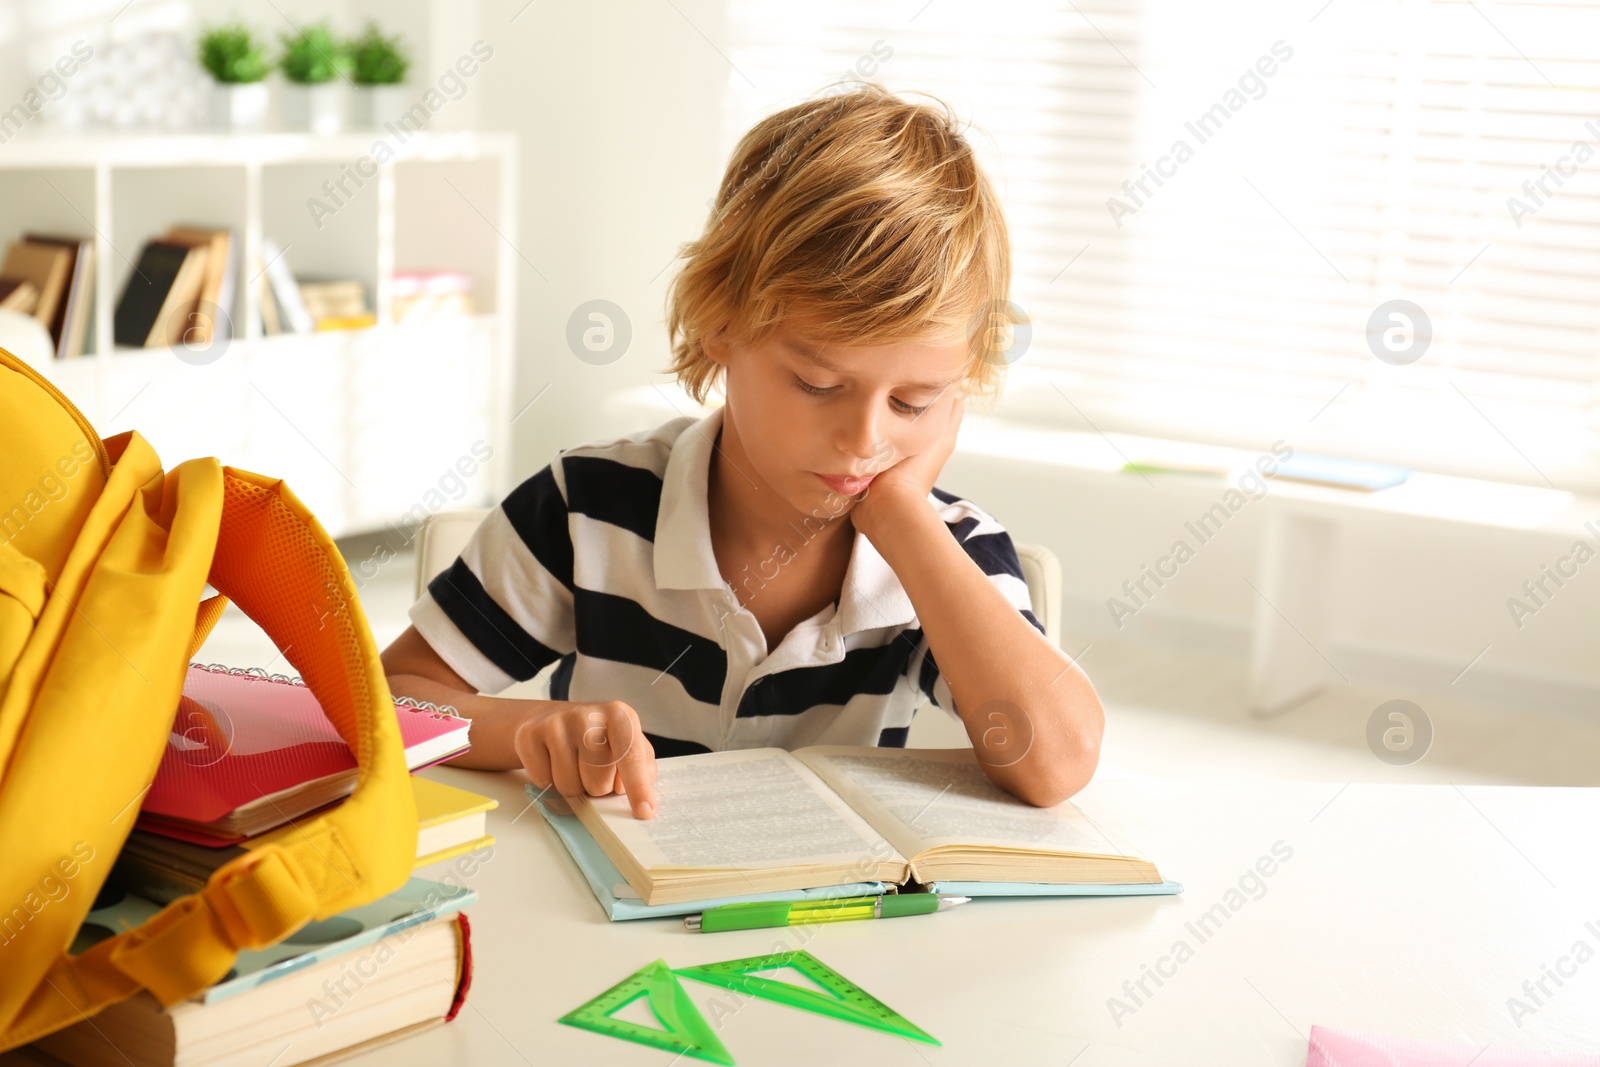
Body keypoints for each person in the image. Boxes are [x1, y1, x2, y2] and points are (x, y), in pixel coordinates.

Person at [381, 83, 1104, 820]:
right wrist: (525, 727)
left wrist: (901, 520)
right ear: (718, 326)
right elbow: (389, 702)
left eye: (914, 402)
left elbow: (1059, 762)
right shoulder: (589, 506)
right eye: (818, 383)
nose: (865, 440)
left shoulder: (948, 555)